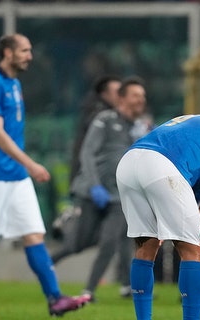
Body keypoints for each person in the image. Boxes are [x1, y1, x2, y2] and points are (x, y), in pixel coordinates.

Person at [0, 33, 90, 317]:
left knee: (33, 234)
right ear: (7, 52)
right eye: (24, 50)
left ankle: (55, 299)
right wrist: (31, 164)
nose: (30, 56)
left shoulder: (14, 83)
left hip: (15, 177)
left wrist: (23, 168)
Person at [116, 113, 200, 320]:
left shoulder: (193, 119)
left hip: (128, 162)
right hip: (162, 167)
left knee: (145, 247)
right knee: (193, 249)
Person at [51, 76, 147, 302]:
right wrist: (94, 185)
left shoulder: (141, 128)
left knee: (111, 241)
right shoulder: (104, 119)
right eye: (136, 95)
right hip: (93, 192)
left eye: (143, 96)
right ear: (122, 98)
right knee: (78, 243)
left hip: (118, 195)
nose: (140, 100)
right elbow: (87, 152)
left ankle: (89, 290)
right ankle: (48, 263)